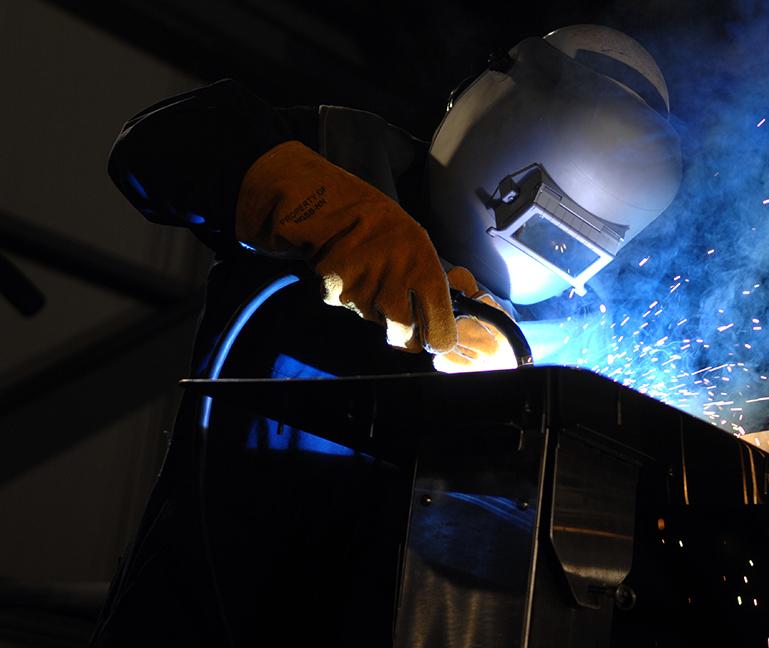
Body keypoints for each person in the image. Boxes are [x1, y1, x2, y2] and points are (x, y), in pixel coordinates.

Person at [91, 24, 681, 646]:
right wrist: (337, 218)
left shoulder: (571, 340)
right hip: (207, 596)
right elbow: (148, 149)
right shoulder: (343, 159)